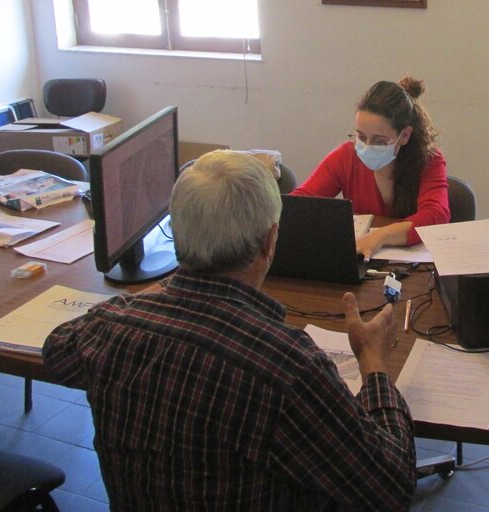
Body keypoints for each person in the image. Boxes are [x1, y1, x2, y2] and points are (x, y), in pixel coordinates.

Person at [43, 151, 416, 511]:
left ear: (176, 232)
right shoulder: (289, 368)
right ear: (270, 241)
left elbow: (56, 349)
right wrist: (373, 363)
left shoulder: (109, 326)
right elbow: (391, 488)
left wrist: (156, 296)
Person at [292, 75, 449, 257]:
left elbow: (436, 215)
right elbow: (297, 204)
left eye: (379, 141)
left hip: (410, 265)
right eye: (361, 136)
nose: (367, 146)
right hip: (361, 259)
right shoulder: (346, 156)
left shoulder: (429, 160)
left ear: (405, 135)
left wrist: (381, 236)